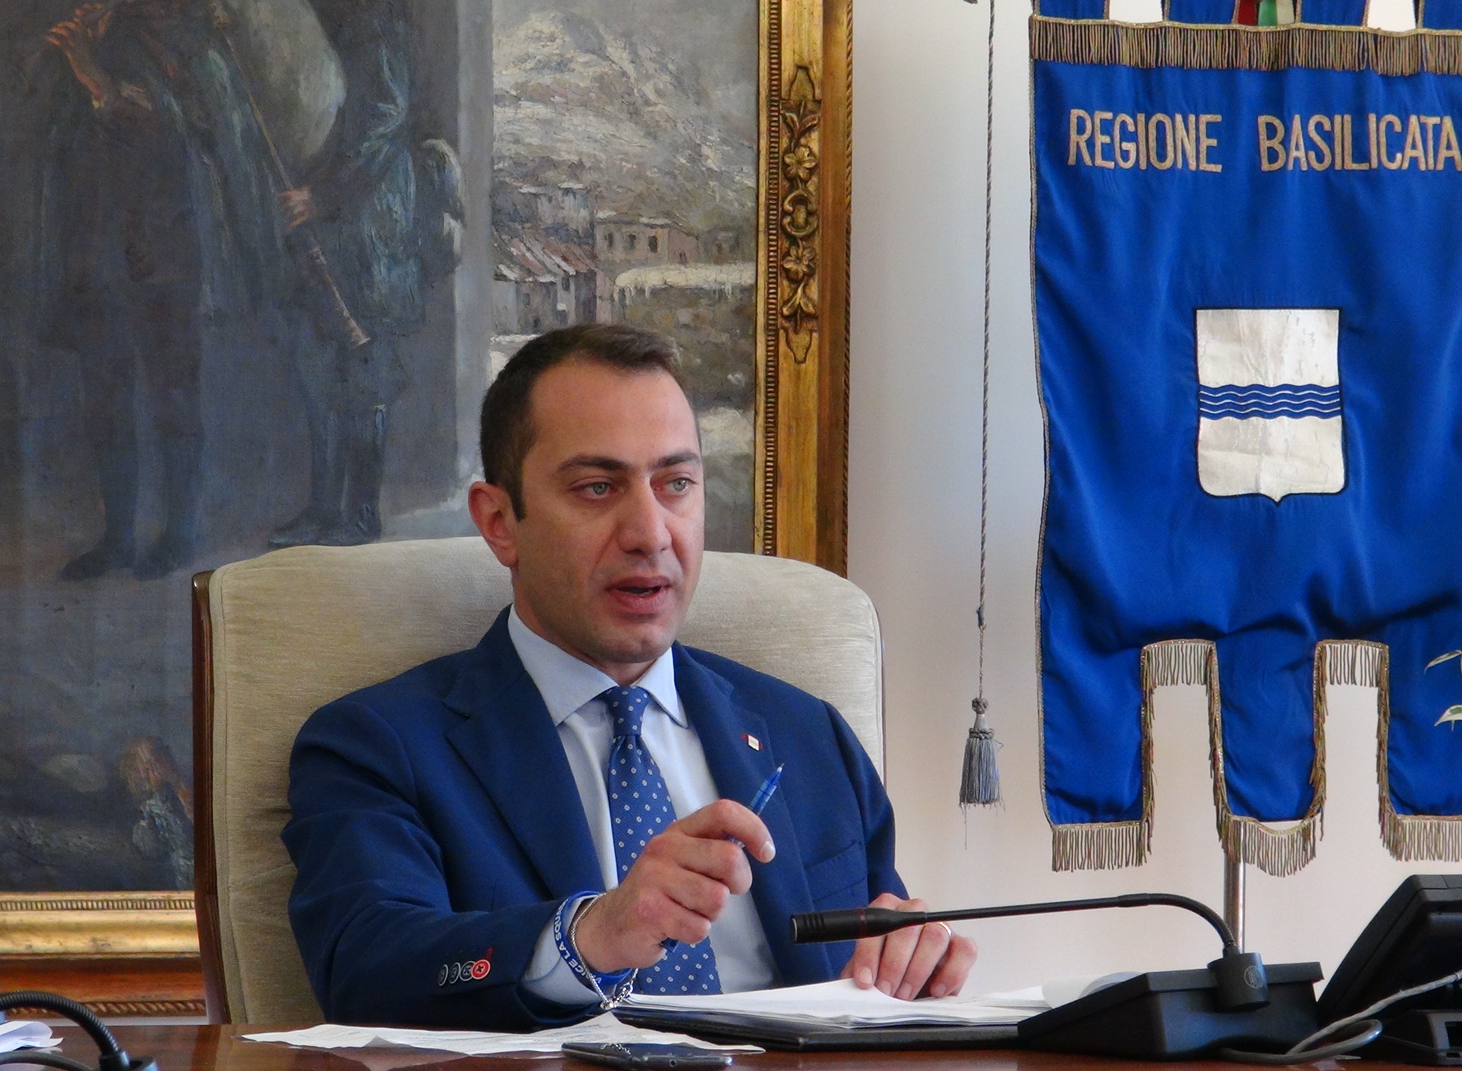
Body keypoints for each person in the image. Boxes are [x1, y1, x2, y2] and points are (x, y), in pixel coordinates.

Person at [283, 324, 977, 1028]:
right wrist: (587, 936)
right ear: (499, 522)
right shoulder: (378, 744)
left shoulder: (808, 733)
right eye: (596, 487)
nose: (650, 533)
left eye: (676, 484)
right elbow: (367, 967)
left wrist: (910, 961)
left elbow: (877, 967)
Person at [42, 0, 287, 580]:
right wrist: (71, 73)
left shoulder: (191, 34)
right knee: (105, 397)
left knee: (172, 396)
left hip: (166, 254)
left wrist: (94, 78)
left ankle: (180, 533)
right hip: (98, 250)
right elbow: (62, 131)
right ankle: (117, 538)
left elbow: (172, 131)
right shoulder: (109, 27)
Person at [266, 0, 425, 549]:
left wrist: (324, 194)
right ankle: (322, 509)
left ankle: (359, 515)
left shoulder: (377, 17)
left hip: (368, 227)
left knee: (364, 375)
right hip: (327, 228)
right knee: (317, 371)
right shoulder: (323, 12)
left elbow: (386, 118)